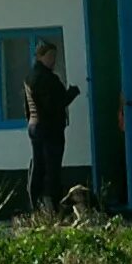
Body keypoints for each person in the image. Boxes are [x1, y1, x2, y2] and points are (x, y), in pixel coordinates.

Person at [23, 39, 78, 214]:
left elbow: (27, 106)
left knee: (38, 165)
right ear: (40, 56)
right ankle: (51, 207)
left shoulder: (30, 76)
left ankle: (36, 206)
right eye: (50, 56)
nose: (53, 60)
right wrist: (71, 93)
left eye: (55, 56)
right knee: (52, 168)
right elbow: (53, 105)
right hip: (50, 129)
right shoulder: (47, 78)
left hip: (34, 126)